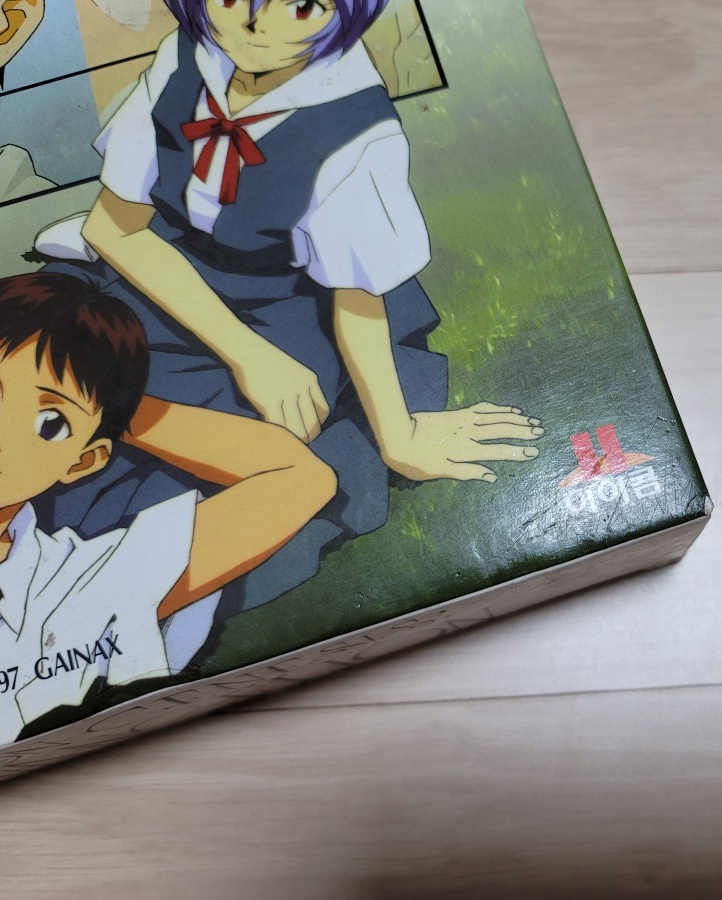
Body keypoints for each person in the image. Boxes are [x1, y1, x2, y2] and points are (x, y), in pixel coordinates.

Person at [35, 0, 542, 617]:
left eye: (301, 5)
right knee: (49, 376)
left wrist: (399, 437)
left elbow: (356, 297)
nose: (256, 25)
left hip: (283, 306)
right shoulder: (185, 57)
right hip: (160, 274)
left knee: (207, 461)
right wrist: (246, 355)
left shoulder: (356, 130)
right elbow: (115, 227)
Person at [0, 272, 337, 745]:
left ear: (83, 461)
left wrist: (117, 408)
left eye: (50, 423)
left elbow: (298, 478)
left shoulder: (83, 583)